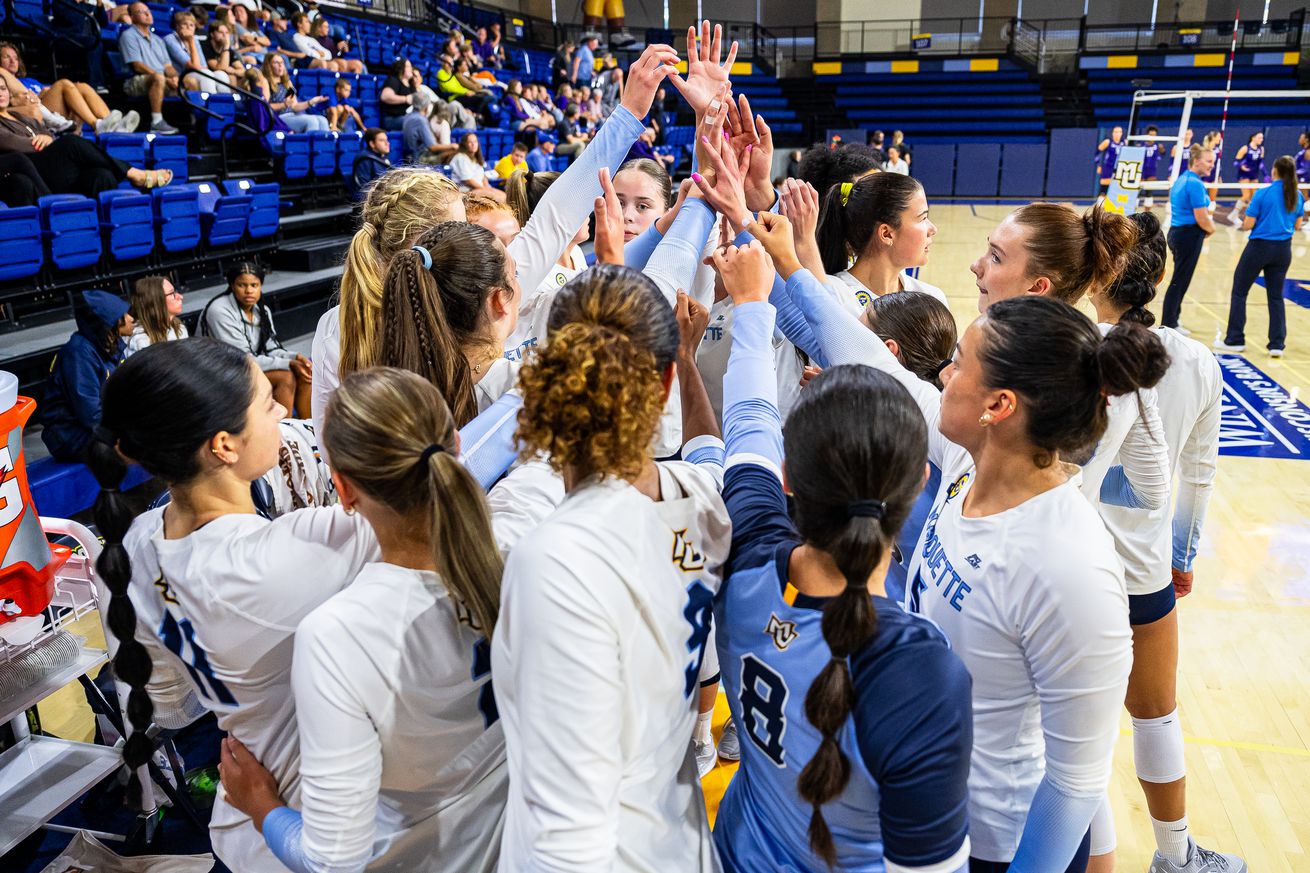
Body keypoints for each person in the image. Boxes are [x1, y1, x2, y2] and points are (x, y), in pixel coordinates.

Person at [751, 211, 1167, 870]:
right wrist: (785, 262)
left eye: (961, 366)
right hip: (930, 812)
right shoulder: (974, 459)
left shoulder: (1070, 564)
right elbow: (863, 356)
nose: (943, 376)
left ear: (999, 405)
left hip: (998, 848)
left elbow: (1077, 782)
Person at [708, 240, 972, 873]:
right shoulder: (918, 672)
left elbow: (747, 426)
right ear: (916, 492)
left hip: (729, 852)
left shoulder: (746, 561)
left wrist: (750, 306)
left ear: (790, 479)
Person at [86, 338, 379, 872]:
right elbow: (450, 490)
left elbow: (172, 706)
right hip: (314, 814)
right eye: (268, 403)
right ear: (223, 445)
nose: (285, 410)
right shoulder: (294, 548)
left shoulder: (128, 546)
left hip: (242, 811)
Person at [218, 367, 508, 873]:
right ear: (457, 446)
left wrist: (262, 807)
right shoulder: (521, 560)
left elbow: (333, 863)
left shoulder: (339, 636)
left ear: (343, 490)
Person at [493, 265, 729, 872]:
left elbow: (567, 839)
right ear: (666, 383)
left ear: (546, 369)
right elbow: (710, 453)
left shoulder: (553, 560)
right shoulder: (701, 502)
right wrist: (688, 358)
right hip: (675, 838)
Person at [1090, 212, 1245, 873]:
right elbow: (1198, 475)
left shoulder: (1068, 342)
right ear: (1163, 274)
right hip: (1143, 572)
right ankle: (1176, 857)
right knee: (1157, 717)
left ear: (1097, 273)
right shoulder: (1199, 360)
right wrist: (1182, 559)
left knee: (1079, 740)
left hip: (1069, 566)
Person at [314, 170, 465, 439]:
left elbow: (329, 445)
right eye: (459, 229)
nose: (468, 239)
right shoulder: (449, 310)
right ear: (422, 241)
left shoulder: (333, 323)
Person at [0, 79, 171, 203]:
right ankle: (133, 173)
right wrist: (40, 141)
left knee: (101, 176)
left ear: (9, 92)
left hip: (55, 172)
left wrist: (47, 138)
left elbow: (49, 136)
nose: (0, 93)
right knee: (70, 143)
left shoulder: (20, 117)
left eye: (3, 88)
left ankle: (106, 238)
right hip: (33, 174)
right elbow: (14, 143)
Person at [816, 171, 946, 308]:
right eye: (923, 218)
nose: (933, 229)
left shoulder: (932, 299)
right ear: (886, 234)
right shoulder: (834, 297)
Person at [1216, 155, 1303, 356]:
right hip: (1283, 250)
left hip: (1259, 248)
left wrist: (1245, 221)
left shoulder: (1263, 194)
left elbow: (1248, 224)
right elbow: (1297, 225)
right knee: (1276, 297)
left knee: (1239, 291)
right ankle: (1277, 344)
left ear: (1275, 172)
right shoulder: (1296, 195)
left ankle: (1235, 339)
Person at [201, 262, 312, 417]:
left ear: (261, 286)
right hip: (219, 372)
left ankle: (307, 428)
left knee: (305, 370)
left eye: (254, 285)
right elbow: (241, 358)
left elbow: (271, 348)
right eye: (242, 285)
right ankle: (285, 434)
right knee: (285, 376)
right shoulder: (219, 310)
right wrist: (288, 363)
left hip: (246, 367)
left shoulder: (262, 310)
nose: (249, 291)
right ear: (232, 286)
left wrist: (295, 357)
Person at [39, 290, 133, 462]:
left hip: (95, 425)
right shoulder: (79, 353)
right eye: (124, 315)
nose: (131, 318)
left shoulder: (112, 344)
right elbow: (90, 414)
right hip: (69, 434)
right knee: (141, 440)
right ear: (108, 322)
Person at [0, 41, 129, 133]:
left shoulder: (29, 80)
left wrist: (44, 93)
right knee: (63, 84)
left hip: (54, 110)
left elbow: (48, 94)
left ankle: (113, 125)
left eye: (16, 58)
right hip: (41, 116)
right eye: (7, 57)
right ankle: (96, 124)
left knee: (82, 86)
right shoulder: (3, 83)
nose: (13, 61)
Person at [1161, 144, 1216, 334]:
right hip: (1188, 235)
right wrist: (1211, 229)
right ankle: (1169, 322)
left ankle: (1173, 318)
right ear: (1197, 161)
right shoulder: (1194, 183)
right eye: (1209, 161)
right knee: (1180, 279)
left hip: (1179, 233)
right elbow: (1201, 217)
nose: (1211, 166)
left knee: (1180, 278)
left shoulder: (1183, 179)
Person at [118, 1, 181, 133]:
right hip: (136, 80)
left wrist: (175, 77)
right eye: (141, 12)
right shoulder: (128, 36)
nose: (147, 14)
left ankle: (193, 124)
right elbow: (137, 66)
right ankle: (157, 121)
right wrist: (164, 78)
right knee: (159, 78)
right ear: (132, 17)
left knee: (189, 81)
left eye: (148, 11)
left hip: (160, 78)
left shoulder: (158, 39)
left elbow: (168, 66)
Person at [166, 11, 229, 94]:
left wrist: (192, 40)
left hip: (197, 71)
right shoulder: (170, 39)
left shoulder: (195, 39)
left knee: (221, 75)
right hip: (181, 74)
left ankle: (225, 104)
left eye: (192, 25)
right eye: (185, 24)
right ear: (177, 26)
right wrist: (190, 41)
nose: (189, 27)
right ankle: (210, 104)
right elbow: (194, 66)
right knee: (207, 74)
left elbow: (204, 66)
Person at [263, 53, 329, 132]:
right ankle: (306, 144)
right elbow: (264, 107)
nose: (280, 65)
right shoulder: (266, 83)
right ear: (269, 66)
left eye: (282, 62)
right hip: (278, 118)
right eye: (276, 63)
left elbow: (294, 106)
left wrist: (311, 102)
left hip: (291, 115)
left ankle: (324, 144)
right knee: (311, 121)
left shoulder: (287, 83)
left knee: (323, 120)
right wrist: (283, 105)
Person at [126, 275, 187, 356]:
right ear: (155, 302)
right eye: (172, 293)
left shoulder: (179, 327)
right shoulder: (139, 340)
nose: (181, 297)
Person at [402, 90, 455, 164]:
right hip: (419, 159)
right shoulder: (420, 120)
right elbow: (432, 147)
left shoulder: (407, 116)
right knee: (455, 152)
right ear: (426, 107)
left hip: (409, 157)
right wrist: (453, 146)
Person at [449, 132, 504, 201]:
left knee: (504, 196)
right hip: (466, 191)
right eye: (470, 142)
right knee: (496, 198)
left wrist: (487, 188)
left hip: (479, 189)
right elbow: (468, 180)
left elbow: (483, 177)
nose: (473, 144)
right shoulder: (460, 157)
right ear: (464, 144)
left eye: (475, 141)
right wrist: (485, 190)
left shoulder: (476, 158)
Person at [1228, 131, 1266, 224]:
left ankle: (1249, 217)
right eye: (1259, 137)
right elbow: (1236, 162)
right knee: (1246, 195)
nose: (1261, 140)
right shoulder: (1245, 148)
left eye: (1262, 138)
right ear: (1253, 138)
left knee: (1254, 196)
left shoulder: (1261, 149)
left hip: (1254, 174)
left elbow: (1261, 163)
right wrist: (1241, 166)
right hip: (1244, 174)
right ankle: (1234, 214)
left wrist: (1265, 174)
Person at [350, 127, 392, 196]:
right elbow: (363, 188)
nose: (387, 143)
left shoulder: (383, 156)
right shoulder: (364, 159)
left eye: (386, 140)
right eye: (382, 140)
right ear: (372, 144)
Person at [379, 58, 418, 132]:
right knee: (416, 122)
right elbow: (385, 97)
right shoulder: (394, 81)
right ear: (401, 68)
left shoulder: (411, 85)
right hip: (393, 118)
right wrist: (405, 99)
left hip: (408, 116)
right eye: (408, 66)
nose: (411, 69)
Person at [1097, 124, 1125, 190]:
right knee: (1104, 186)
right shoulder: (1107, 142)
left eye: (1119, 132)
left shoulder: (1125, 142)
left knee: (1118, 187)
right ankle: (1101, 199)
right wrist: (1099, 165)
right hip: (1108, 166)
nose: (1118, 134)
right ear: (1112, 133)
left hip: (1120, 167)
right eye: (1116, 132)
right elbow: (1098, 153)